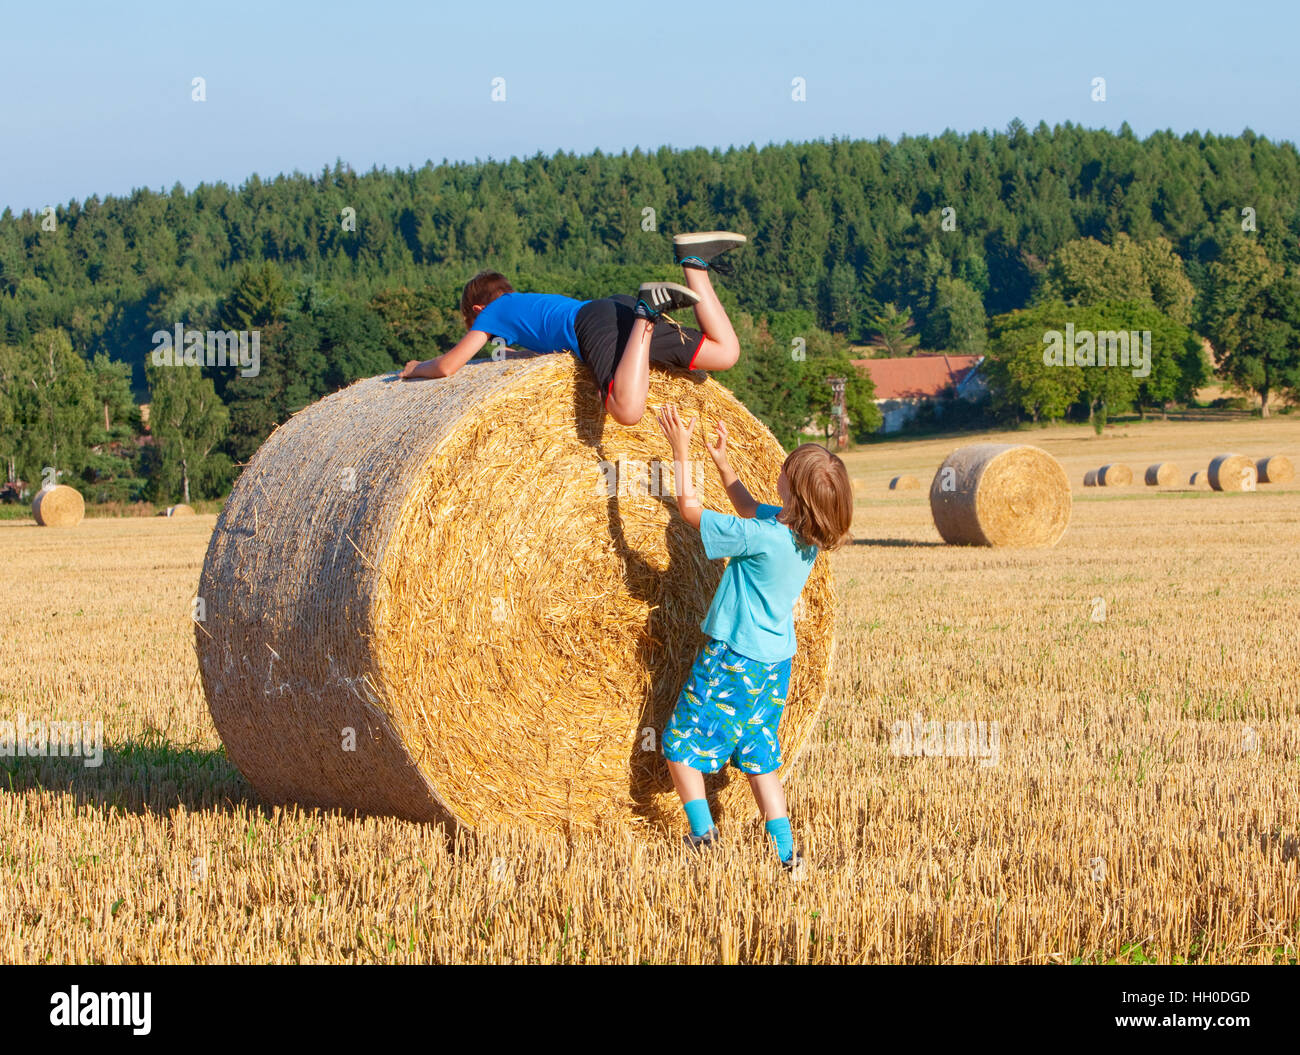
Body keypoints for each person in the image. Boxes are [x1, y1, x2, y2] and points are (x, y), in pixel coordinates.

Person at [654, 405, 852, 878]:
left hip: (733, 659)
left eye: (783, 473)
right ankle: (787, 854)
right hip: (774, 664)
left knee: (679, 746)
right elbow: (747, 507)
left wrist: (680, 450)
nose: (777, 474)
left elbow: (690, 511)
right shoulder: (805, 537)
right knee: (760, 755)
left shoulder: (763, 536)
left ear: (793, 492)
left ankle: (702, 836)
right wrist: (724, 465)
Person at [398, 233, 747, 425]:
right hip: (613, 309)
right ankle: (694, 263)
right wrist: (519, 355)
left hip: (596, 322)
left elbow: (448, 366)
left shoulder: (492, 312)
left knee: (626, 411)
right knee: (725, 352)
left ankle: (648, 315)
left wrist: (416, 369)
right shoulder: (526, 305)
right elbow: (551, 344)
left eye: (473, 323)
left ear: (477, 310)